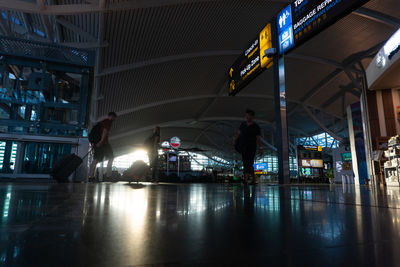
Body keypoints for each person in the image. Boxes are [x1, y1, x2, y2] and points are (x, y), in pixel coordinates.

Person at [233, 109, 263, 185]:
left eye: (248, 116)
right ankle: (250, 179)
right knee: (246, 163)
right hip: (243, 146)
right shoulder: (243, 124)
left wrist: (260, 148)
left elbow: (258, 138)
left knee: (249, 163)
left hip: (251, 147)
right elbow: (238, 133)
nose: (246, 117)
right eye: (246, 116)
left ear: (252, 117)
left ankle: (247, 179)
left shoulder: (256, 126)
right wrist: (234, 141)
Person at [89, 112, 117, 182]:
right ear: (111, 116)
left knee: (96, 159)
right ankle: (108, 176)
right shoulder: (108, 122)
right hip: (103, 143)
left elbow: (93, 133)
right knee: (111, 157)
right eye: (114, 117)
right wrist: (101, 142)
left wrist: (93, 144)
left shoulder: (100, 123)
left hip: (96, 143)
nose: (114, 119)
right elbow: (105, 131)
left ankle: (91, 176)